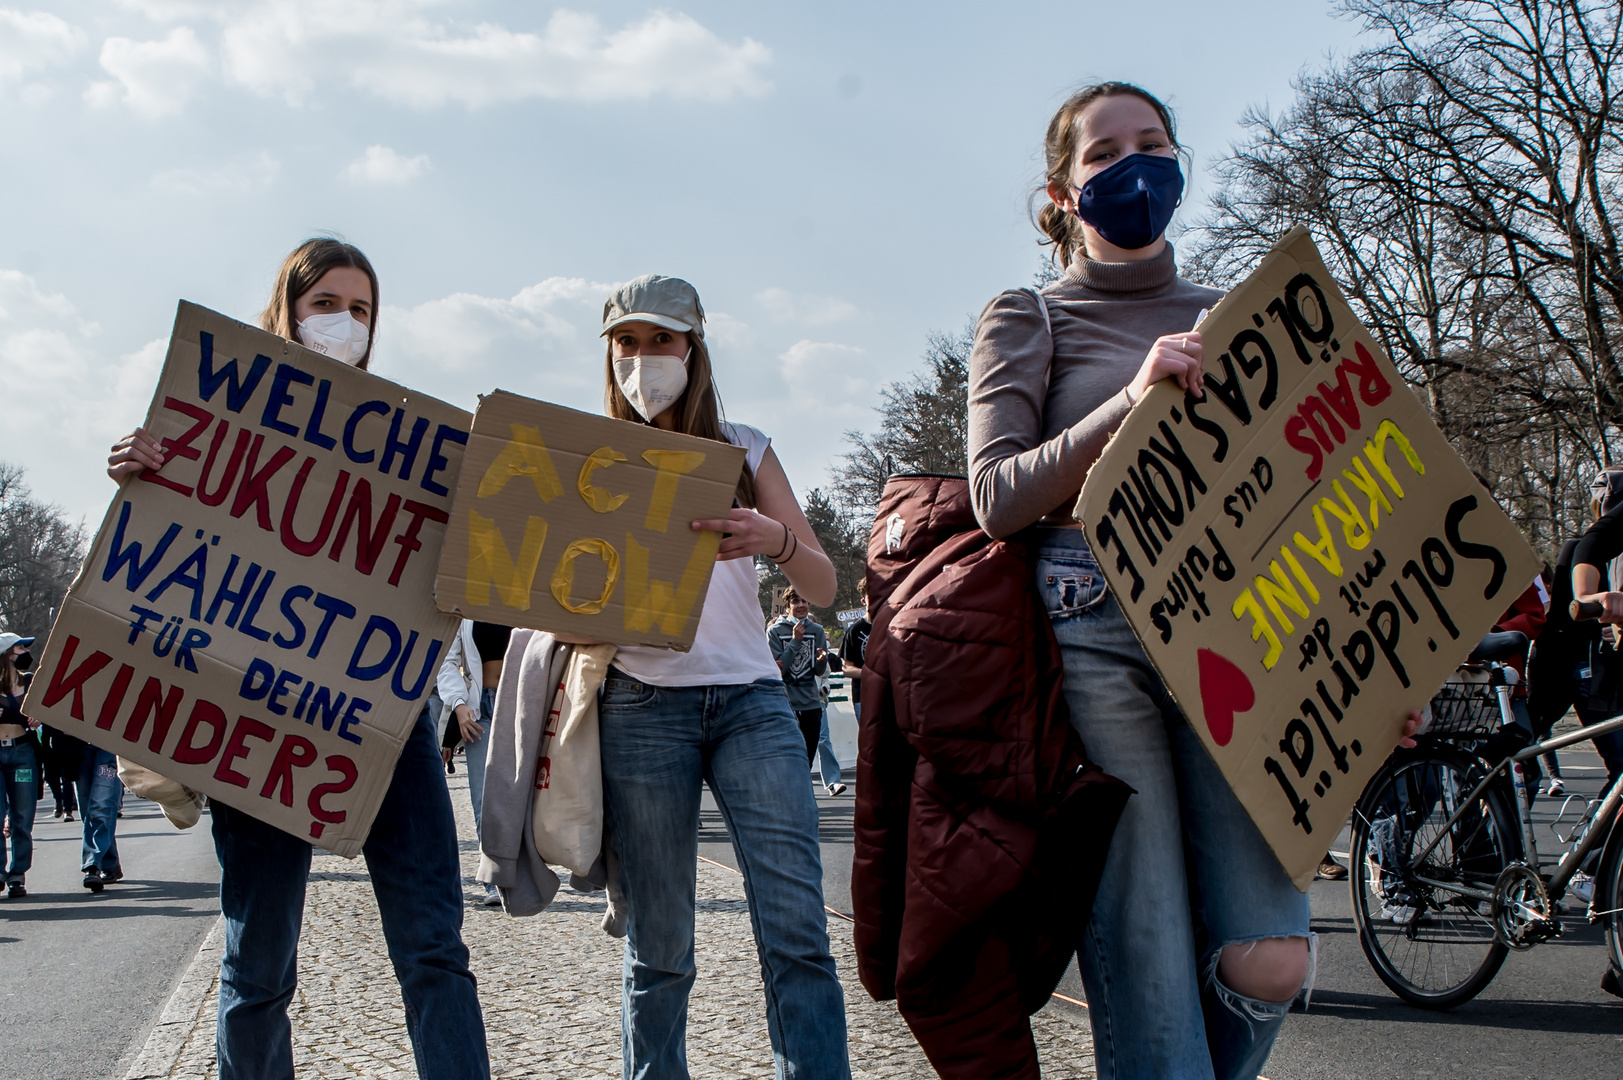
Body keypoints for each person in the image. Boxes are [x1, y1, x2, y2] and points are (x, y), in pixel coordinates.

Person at [966, 82, 1421, 1080]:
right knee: (1147, 956)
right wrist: (1131, 403)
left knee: (1271, 954)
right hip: (1089, 624)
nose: (1135, 164)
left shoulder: (1247, 319)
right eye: (1106, 152)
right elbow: (997, 496)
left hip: (1246, 627)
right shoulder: (1028, 316)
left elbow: (1329, 511)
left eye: (1154, 143)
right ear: (1061, 193)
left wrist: (1384, 671)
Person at [106, 237, 489, 1080]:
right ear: (286, 308)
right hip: (262, 717)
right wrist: (141, 473)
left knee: (434, 948)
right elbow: (180, 543)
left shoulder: (410, 443)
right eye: (327, 305)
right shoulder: (216, 422)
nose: (345, 323)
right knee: (259, 959)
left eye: (361, 310)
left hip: (389, 724)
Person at [593, 274, 849, 1079]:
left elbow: (824, 588)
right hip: (639, 705)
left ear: (693, 348)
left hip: (752, 703)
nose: (644, 359)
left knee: (797, 933)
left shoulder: (745, 446)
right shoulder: (588, 460)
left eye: (661, 340)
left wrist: (775, 537)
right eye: (627, 343)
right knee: (658, 947)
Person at [437, 619, 511, 906]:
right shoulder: (467, 610)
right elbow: (447, 660)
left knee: (521, 795)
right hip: (478, 710)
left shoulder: (521, 600)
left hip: (520, 706)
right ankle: (494, 878)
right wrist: (458, 704)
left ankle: (522, 870)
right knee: (484, 798)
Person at [768, 589, 831, 772]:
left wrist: (821, 660)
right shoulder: (775, 631)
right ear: (787, 606)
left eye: (804, 601)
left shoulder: (817, 631)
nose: (801, 605)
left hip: (811, 702)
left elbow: (818, 671)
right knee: (788, 756)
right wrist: (795, 641)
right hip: (786, 703)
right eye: (796, 601)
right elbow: (778, 669)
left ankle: (804, 794)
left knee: (808, 757)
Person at [0, 632, 40, 899]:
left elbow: (49, 710)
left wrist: (40, 716)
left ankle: (17, 874)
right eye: (19, 647)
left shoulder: (30, 682)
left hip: (23, 753)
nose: (25, 651)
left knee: (21, 818)